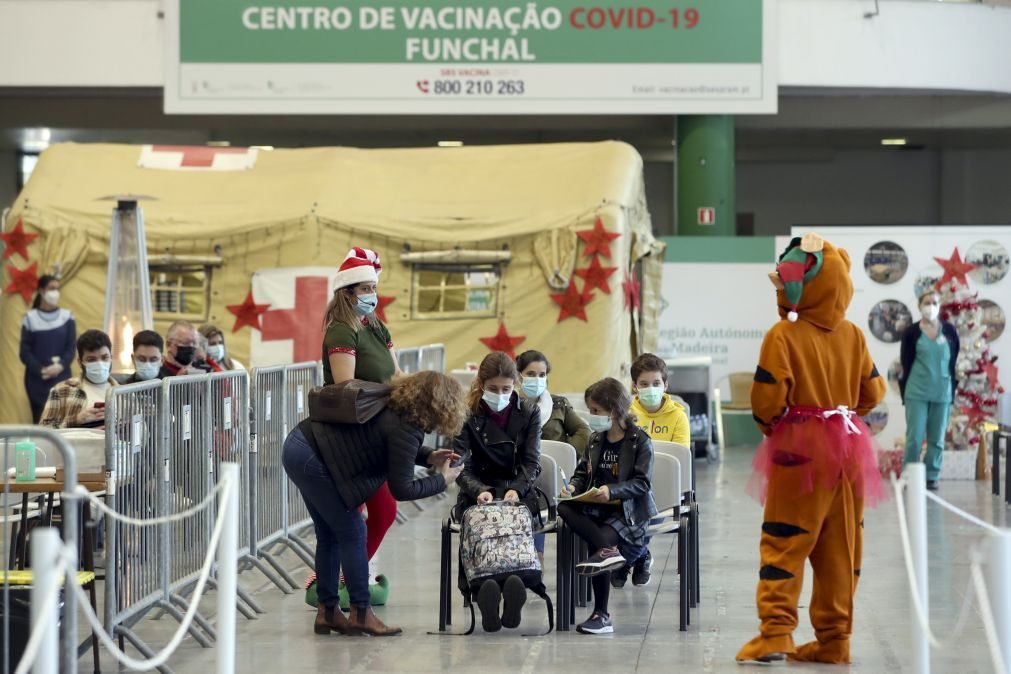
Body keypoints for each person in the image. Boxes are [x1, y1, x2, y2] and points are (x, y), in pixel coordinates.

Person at [737, 233, 886, 665]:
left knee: (786, 541)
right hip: (849, 447)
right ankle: (835, 639)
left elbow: (766, 401)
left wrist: (780, 428)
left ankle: (776, 633)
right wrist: (839, 412)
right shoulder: (855, 335)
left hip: (799, 448)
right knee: (841, 547)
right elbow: (873, 393)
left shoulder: (783, 334)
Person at [283, 370, 467, 637]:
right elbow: (402, 488)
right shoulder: (408, 427)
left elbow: (390, 444)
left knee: (330, 535)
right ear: (440, 405)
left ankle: (328, 612)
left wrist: (429, 457)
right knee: (353, 531)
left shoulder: (394, 406)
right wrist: (443, 480)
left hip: (299, 446)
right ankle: (360, 613)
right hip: (313, 456)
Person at [319, 247, 402, 603]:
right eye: (365, 288)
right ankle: (332, 584)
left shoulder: (376, 324)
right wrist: (391, 392)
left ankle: (341, 580)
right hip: (350, 436)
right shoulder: (341, 330)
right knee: (372, 512)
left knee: (380, 511)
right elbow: (346, 388)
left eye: (373, 287)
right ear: (348, 292)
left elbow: (397, 373)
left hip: (376, 431)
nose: (372, 294)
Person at [559, 377, 657, 636]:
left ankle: (601, 613)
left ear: (613, 410)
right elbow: (583, 473)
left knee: (600, 541)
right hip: (598, 508)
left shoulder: (639, 441)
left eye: (595, 411)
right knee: (564, 507)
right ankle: (607, 554)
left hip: (628, 513)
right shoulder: (595, 439)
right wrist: (572, 487)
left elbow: (642, 484)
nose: (592, 416)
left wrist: (612, 490)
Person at [454, 351, 542, 632]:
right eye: (492, 389)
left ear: (515, 385)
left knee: (511, 521)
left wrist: (516, 489)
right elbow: (458, 464)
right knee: (479, 521)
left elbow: (532, 463)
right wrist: (479, 490)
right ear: (480, 384)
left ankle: (498, 589)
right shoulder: (466, 413)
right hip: (478, 489)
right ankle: (487, 591)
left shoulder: (530, 411)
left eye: (506, 389)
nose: (500, 394)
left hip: (518, 488)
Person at [617, 352, 691, 587]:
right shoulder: (625, 415)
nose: (651, 388)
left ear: (666, 385)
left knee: (643, 509)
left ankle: (627, 560)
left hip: (665, 490)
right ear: (635, 386)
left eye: (656, 383)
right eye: (644, 384)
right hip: (630, 487)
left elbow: (680, 457)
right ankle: (641, 555)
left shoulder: (678, 416)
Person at [516, 349, 590, 562]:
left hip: (557, 476)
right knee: (530, 498)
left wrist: (564, 454)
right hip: (522, 473)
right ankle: (531, 556)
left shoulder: (559, 404)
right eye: (531, 374)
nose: (537, 379)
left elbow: (583, 432)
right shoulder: (511, 405)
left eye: (542, 374)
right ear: (519, 374)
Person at [899, 289, 959, 491]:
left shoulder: (949, 331)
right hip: (916, 392)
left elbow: (954, 359)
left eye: (934, 302)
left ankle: (932, 475)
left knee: (937, 438)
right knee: (914, 438)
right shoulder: (911, 332)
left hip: (942, 392)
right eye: (927, 302)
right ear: (919, 306)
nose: (931, 306)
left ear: (939, 305)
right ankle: (909, 474)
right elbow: (905, 361)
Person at [19, 275, 76, 423]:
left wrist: (60, 366)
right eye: (51, 288)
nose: (55, 292)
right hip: (37, 382)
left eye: (57, 289)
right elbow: (24, 352)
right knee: (39, 421)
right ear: (41, 291)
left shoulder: (67, 317)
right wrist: (40, 370)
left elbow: (71, 347)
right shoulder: (30, 319)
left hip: (62, 379)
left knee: (62, 422)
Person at [40, 329, 119, 429]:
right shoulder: (61, 390)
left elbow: (141, 430)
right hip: (76, 444)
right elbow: (44, 431)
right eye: (91, 359)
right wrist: (76, 420)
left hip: (114, 444)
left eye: (104, 358)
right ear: (80, 362)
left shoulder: (124, 393)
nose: (100, 363)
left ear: (111, 358)